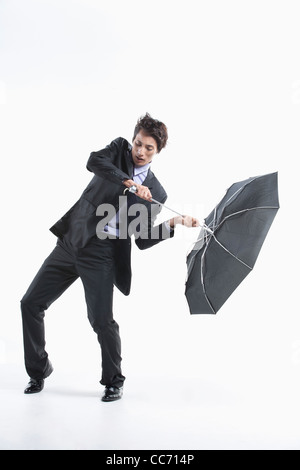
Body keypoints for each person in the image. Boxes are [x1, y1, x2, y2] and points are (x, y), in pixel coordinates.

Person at [20, 113, 199, 402]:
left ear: (158, 151)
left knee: (101, 321)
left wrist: (174, 224)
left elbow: (141, 240)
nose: (140, 152)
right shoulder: (117, 152)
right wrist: (129, 183)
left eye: (148, 148)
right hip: (73, 240)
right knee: (30, 303)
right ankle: (38, 369)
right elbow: (94, 162)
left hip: (103, 254)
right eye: (138, 143)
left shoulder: (156, 193)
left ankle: (114, 381)